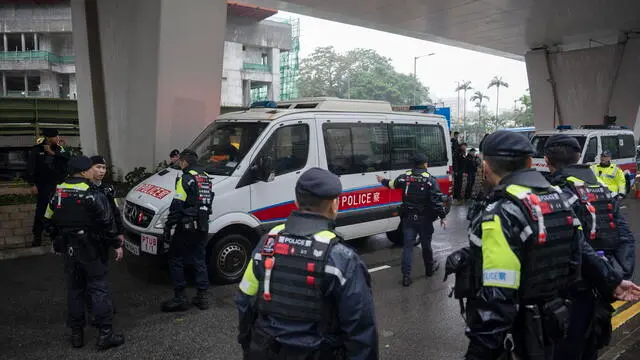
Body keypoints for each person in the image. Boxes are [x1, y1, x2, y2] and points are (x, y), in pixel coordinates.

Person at [443, 131, 640, 360]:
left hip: (522, 335)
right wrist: (612, 280)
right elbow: (581, 249)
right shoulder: (558, 198)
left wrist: (478, 353)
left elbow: (497, 298)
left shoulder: (500, 213)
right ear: (529, 163)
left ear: (485, 166)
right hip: (556, 323)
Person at [236, 167, 379, 360]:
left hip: (265, 350)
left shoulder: (267, 243)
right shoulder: (341, 258)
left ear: (296, 202)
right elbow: (360, 332)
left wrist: (250, 346)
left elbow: (245, 299)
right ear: (334, 205)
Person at [543, 134, 636, 360]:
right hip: (599, 293)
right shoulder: (603, 190)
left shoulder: (555, 194)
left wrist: (610, 279)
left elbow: (575, 244)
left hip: (568, 294)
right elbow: (626, 238)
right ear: (578, 157)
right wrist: (614, 279)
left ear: (546, 161)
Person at [44, 156, 124, 350]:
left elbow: (48, 219)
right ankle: (105, 334)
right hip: (91, 249)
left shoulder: (58, 192)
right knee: (98, 288)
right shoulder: (91, 193)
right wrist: (116, 244)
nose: (93, 171)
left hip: (69, 250)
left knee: (75, 291)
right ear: (83, 172)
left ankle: (76, 335)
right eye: (90, 168)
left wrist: (57, 240)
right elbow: (107, 223)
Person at [376, 153, 447, 287]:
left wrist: (382, 180)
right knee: (426, 246)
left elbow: (391, 184)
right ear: (425, 164)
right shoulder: (430, 180)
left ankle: (406, 277)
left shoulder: (405, 177)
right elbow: (437, 202)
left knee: (408, 248)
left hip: (408, 219)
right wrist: (442, 217)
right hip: (425, 220)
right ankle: (429, 270)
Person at [161, 149, 213, 312]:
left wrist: (169, 226)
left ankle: (180, 298)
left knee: (175, 258)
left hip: (186, 226)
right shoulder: (205, 177)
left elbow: (177, 205)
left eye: (180, 162)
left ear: (185, 162)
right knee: (199, 259)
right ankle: (202, 296)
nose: (180, 164)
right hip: (202, 225)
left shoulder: (185, 178)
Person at [26, 128, 69, 247]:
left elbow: (68, 160)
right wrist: (33, 184)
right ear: (48, 138)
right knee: (41, 210)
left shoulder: (59, 149)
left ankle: (55, 234)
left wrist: (53, 153)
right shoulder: (37, 149)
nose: (58, 138)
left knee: (58, 210)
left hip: (58, 184)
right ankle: (37, 235)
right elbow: (31, 167)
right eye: (55, 137)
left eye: (58, 136)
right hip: (43, 185)